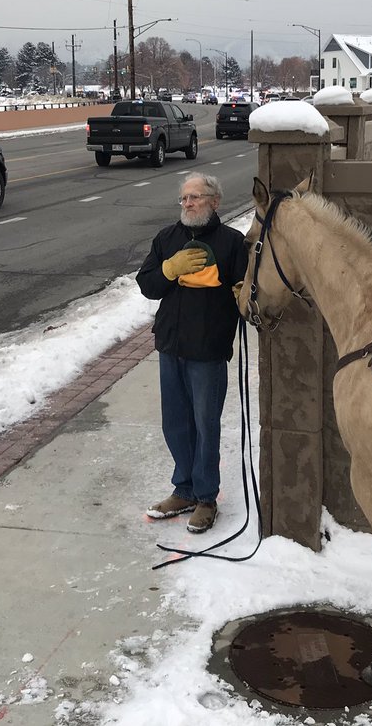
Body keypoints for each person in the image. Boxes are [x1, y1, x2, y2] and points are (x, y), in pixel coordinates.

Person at [136, 172, 248, 534]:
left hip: (208, 348)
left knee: (205, 425)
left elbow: (245, 293)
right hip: (170, 344)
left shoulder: (232, 243)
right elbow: (148, 286)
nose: (188, 204)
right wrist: (169, 269)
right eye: (184, 198)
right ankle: (182, 489)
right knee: (175, 423)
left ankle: (205, 497)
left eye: (196, 197)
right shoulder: (166, 239)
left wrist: (240, 293)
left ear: (215, 201)